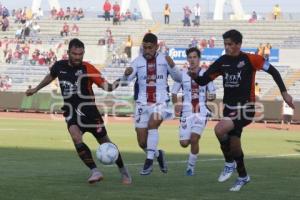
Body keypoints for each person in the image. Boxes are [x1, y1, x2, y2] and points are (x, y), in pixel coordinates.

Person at [188, 29, 294, 191]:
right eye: (225, 44)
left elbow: (273, 71)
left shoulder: (251, 59)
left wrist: (284, 93)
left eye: (230, 44)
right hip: (228, 109)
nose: (227, 47)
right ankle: (243, 176)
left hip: (246, 109)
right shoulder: (222, 61)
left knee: (219, 129)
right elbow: (203, 81)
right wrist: (194, 76)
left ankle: (229, 163)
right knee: (235, 145)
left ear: (238, 44)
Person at [25, 38, 132, 185]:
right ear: (68, 52)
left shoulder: (88, 68)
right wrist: (35, 89)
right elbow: (51, 76)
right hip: (71, 112)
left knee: (106, 143)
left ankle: (123, 170)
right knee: (76, 137)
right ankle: (95, 171)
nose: (77, 57)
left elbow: (108, 87)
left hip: (91, 114)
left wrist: (123, 78)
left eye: (80, 54)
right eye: (74, 54)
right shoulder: (59, 66)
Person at [122, 33, 181, 175]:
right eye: (145, 47)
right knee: (142, 142)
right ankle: (158, 154)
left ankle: (148, 162)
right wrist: (126, 74)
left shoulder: (165, 59)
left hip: (160, 102)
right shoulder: (137, 62)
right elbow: (125, 82)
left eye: (150, 48)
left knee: (152, 125)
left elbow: (178, 78)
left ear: (156, 47)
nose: (147, 51)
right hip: (142, 104)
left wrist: (173, 66)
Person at [171, 47, 216, 176]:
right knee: (184, 143)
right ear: (187, 59)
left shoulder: (206, 74)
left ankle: (190, 167)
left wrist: (210, 97)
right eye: (190, 57)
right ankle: (192, 143)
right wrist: (176, 104)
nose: (192, 60)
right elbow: (174, 93)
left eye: (194, 57)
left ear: (199, 58)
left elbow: (212, 93)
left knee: (194, 138)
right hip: (186, 112)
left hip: (201, 112)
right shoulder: (182, 74)